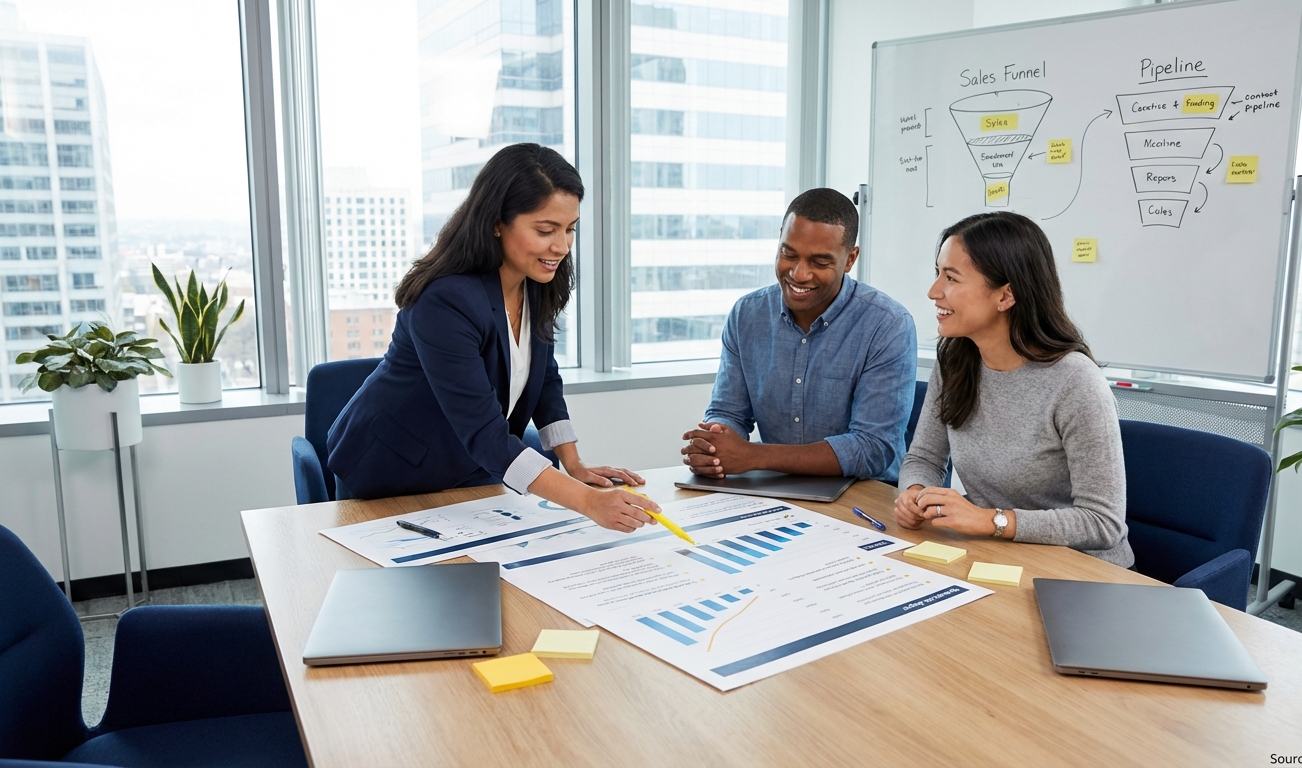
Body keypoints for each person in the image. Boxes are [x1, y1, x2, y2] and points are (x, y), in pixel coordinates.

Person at [327, 143, 659, 532]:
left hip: (470, 468)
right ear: (497, 222)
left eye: (570, 229)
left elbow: (544, 380)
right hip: (390, 473)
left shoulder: (534, 282)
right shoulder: (444, 299)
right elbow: (485, 432)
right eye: (545, 230)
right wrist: (587, 501)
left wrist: (574, 464)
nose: (562, 247)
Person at [895, 211, 1132, 567]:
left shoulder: (1076, 382)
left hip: (1082, 573)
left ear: (1006, 295)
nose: (934, 291)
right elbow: (924, 459)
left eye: (952, 278)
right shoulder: (956, 361)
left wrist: (991, 520)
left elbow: (1103, 522)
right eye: (937, 273)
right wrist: (915, 494)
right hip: (999, 556)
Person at [681, 188, 917, 484]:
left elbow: (872, 449)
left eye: (819, 263)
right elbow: (728, 411)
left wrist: (753, 457)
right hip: (779, 486)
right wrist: (715, 443)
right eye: (788, 254)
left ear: (850, 259)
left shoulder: (888, 324)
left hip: (865, 495)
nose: (799, 274)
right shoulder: (747, 314)